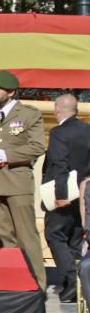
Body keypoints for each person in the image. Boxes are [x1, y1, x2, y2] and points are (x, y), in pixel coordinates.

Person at [0, 71, 46, 289]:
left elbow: (37, 146)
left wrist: (7, 156)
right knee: (1, 238)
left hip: (17, 182)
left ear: (11, 92)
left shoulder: (29, 114)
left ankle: (36, 284)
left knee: (27, 236)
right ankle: (9, 283)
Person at [43, 94, 90, 302]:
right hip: (84, 194)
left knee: (55, 234)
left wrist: (60, 195)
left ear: (57, 110)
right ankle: (79, 282)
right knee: (75, 238)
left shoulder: (58, 133)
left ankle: (71, 283)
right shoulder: (88, 130)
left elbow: (60, 164)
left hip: (65, 194)